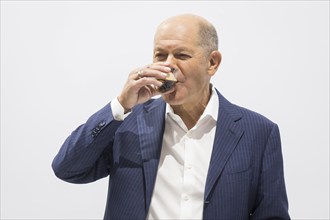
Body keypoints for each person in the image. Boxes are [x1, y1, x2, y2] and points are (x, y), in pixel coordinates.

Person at [52, 14, 290, 219]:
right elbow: (68, 169)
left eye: (182, 55)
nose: (168, 66)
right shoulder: (126, 122)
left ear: (212, 62)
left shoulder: (259, 132)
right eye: (160, 55)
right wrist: (121, 104)